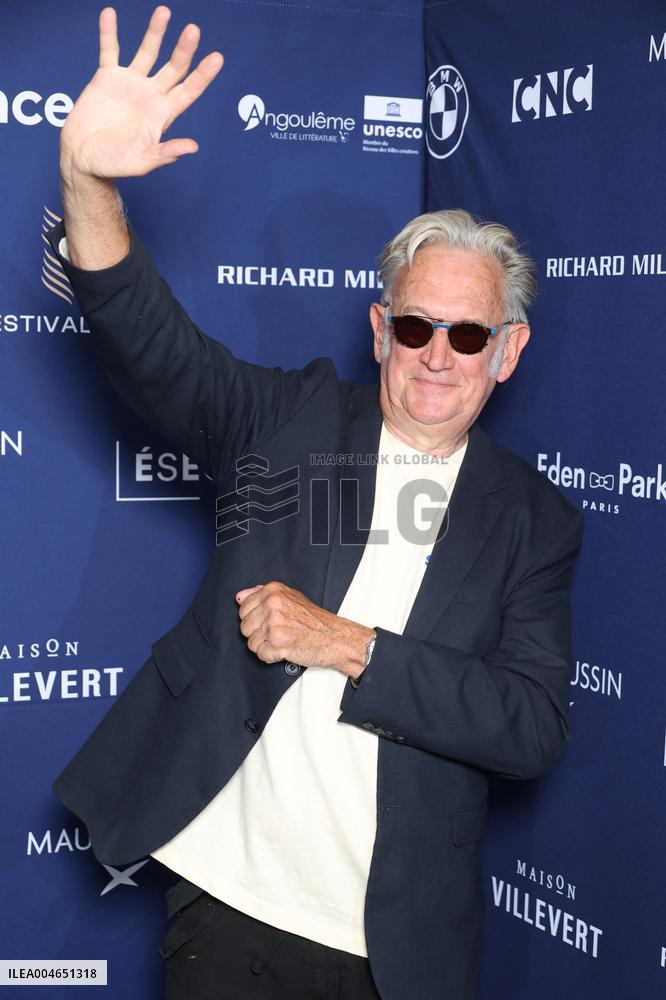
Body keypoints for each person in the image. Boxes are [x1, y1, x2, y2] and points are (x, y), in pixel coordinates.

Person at [49, 7, 583, 1000]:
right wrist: (89, 182)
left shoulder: (532, 519)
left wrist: (351, 645)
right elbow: (153, 348)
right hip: (231, 915)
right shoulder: (290, 419)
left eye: (468, 336)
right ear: (381, 328)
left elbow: (528, 727)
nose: (436, 355)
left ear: (508, 353)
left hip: (394, 950)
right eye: (416, 325)